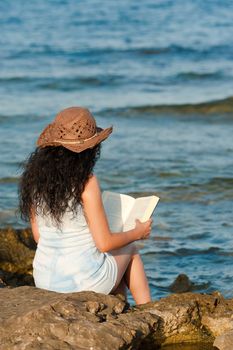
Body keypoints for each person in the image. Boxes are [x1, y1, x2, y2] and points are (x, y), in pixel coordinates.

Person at [19, 107, 152, 305]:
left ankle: (119, 310)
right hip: (83, 282)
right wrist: (137, 232)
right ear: (90, 150)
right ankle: (149, 312)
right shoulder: (86, 183)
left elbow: (39, 237)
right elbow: (104, 243)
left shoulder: (34, 181)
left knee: (112, 264)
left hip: (45, 281)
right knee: (130, 249)